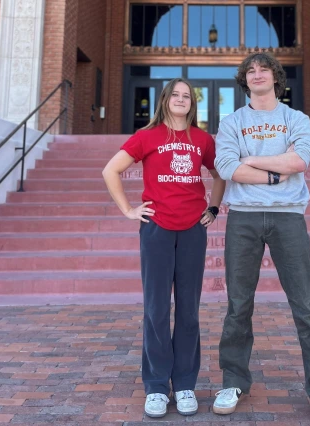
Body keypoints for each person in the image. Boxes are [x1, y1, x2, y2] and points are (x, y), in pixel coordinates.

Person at [212, 53, 310, 426]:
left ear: (276, 78)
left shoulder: (296, 119)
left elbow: (299, 162)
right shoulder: (232, 121)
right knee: (238, 305)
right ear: (244, 80)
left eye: (262, 69)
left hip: (288, 218)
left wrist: (249, 162)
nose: (256, 74)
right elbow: (225, 168)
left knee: (305, 305)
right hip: (243, 220)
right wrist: (271, 172)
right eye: (249, 71)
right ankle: (233, 381)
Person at [102, 78, 225, 419]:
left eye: (187, 96)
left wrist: (213, 208)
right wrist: (129, 210)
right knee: (156, 309)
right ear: (166, 99)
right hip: (155, 229)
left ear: (192, 103)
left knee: (188, 310)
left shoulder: (202, 139)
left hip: (192, 230)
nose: (182, 99)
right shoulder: (148, 136)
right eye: (176, 94)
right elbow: (111, 170)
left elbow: (219, 175)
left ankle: (184, 384)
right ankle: (157, 386)